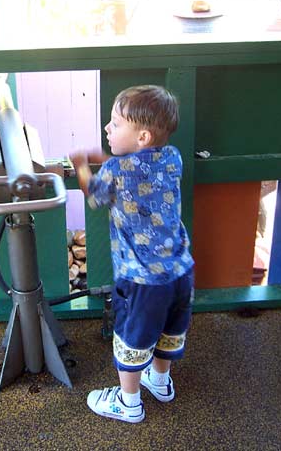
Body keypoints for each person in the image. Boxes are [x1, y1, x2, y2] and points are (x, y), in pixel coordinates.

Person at [70, 85, 194, 423]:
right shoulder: (172, 158)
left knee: (132, 337)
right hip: (181, 271)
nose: (107, 129)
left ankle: (128, 403)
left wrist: (81, 164)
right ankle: (161, 382)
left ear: (142, 136)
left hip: (142, 280)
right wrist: (111, 156)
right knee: (169, 330)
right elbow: (141, 168)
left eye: (115, 123)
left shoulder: (114, 172)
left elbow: (95, 195)